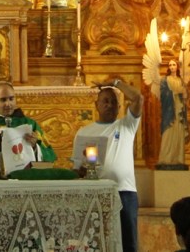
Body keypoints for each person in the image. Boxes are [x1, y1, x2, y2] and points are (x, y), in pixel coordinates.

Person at [72, 79, 143, 252]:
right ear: (96, 105)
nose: (109, 105)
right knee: (97, 242)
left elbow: (138, 98)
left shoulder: (126, 125)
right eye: (105, 101)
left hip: (124, 191)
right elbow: (76, 168)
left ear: (120, 107)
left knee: (129, 243)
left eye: (114, 102)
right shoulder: (84, 132)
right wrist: (81, 171)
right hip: (96, 192)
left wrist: (115, 82)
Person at [0, 81, 56, 178]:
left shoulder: (30, 124)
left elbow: (50, 154)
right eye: (3, 100)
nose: (8, 104)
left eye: (11, 99)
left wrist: (35, 147)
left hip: (25, 180)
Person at [158, 57, 188, 166]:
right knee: (168, 134)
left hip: (179, 110)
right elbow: (163, 95)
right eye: (170, 65)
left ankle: (178, 159)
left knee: (178, 133)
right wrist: (174, 92)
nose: (172, 67)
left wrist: (184, 94)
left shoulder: (181, 81)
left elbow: (185, 96)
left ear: (177, 67)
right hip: (169, 111)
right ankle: (165, 159)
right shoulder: (165, 80)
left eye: (174, 65)